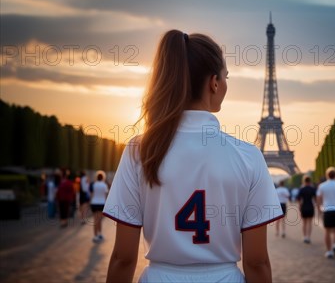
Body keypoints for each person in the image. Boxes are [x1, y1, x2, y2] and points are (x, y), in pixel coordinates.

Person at [104, 30, 283, 283]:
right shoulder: (249, 156)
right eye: (226, 77)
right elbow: (257, 261)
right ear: (214, 83)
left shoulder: (139, 150)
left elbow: (123, 258)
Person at [317, 167, 335, 259]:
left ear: (327, 175)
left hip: (327, 210)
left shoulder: (322, 186)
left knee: (327, 231)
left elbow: (318, 198)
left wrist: (319, 209)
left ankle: (329, 251)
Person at [90, 171, 109, 243]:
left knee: (95, 220)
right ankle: (100, 234)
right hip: (101, 203)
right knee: (100, 220)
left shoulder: (94, 184)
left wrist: (90, 202)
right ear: (103, 177)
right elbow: (106, 195)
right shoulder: (104, 185)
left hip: (94, 203)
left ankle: (95, 236)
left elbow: (91, 194)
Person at [297, 175, 317, 244]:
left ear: (304, 181)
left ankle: (304, 236)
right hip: (310, 206)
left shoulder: (302, 189)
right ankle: (309, 237)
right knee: (309, 223)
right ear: (310, 181)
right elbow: (315, 199)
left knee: (304, 223)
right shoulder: (312, 189)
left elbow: (299, 199)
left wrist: (299, 207)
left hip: (304, 207)